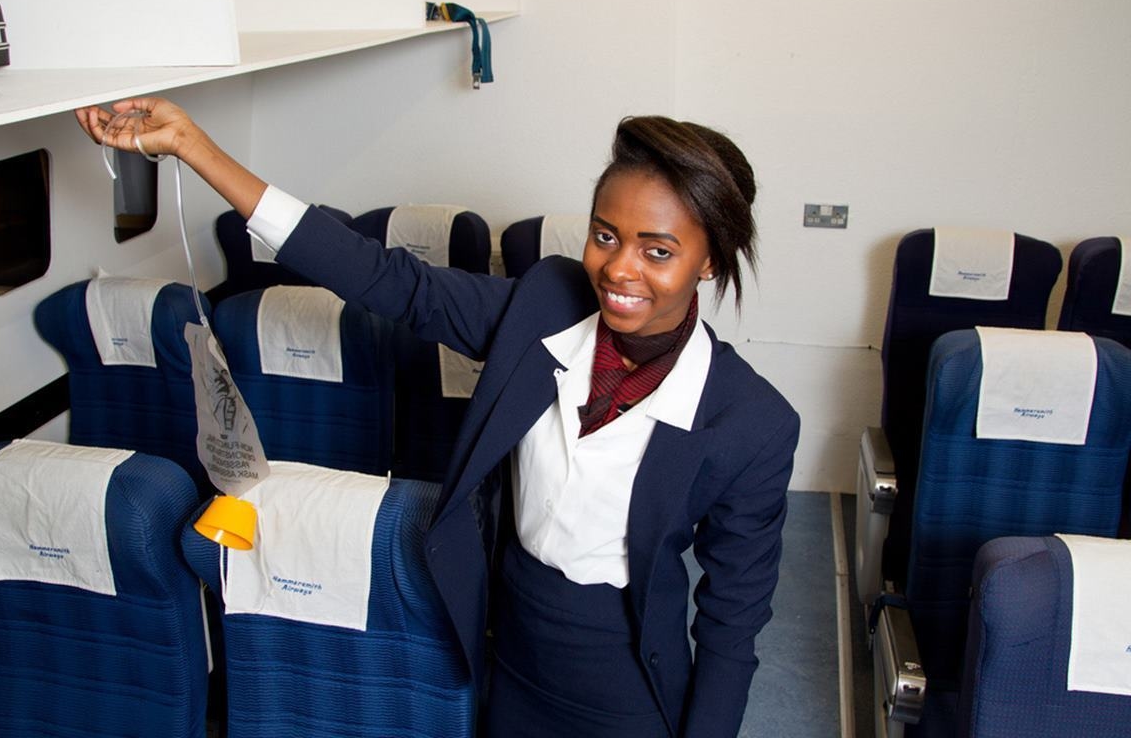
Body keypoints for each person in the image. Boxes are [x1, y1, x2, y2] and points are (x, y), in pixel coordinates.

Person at [76, 99, 799, 737]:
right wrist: (195, 148)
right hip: (505, 648)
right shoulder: (546, 304)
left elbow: (733, 627)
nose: (619, 269)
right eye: (606, 235)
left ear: (710, 264)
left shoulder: (750, 422)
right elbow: (386, 279)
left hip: (626, 686)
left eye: (659, 250)